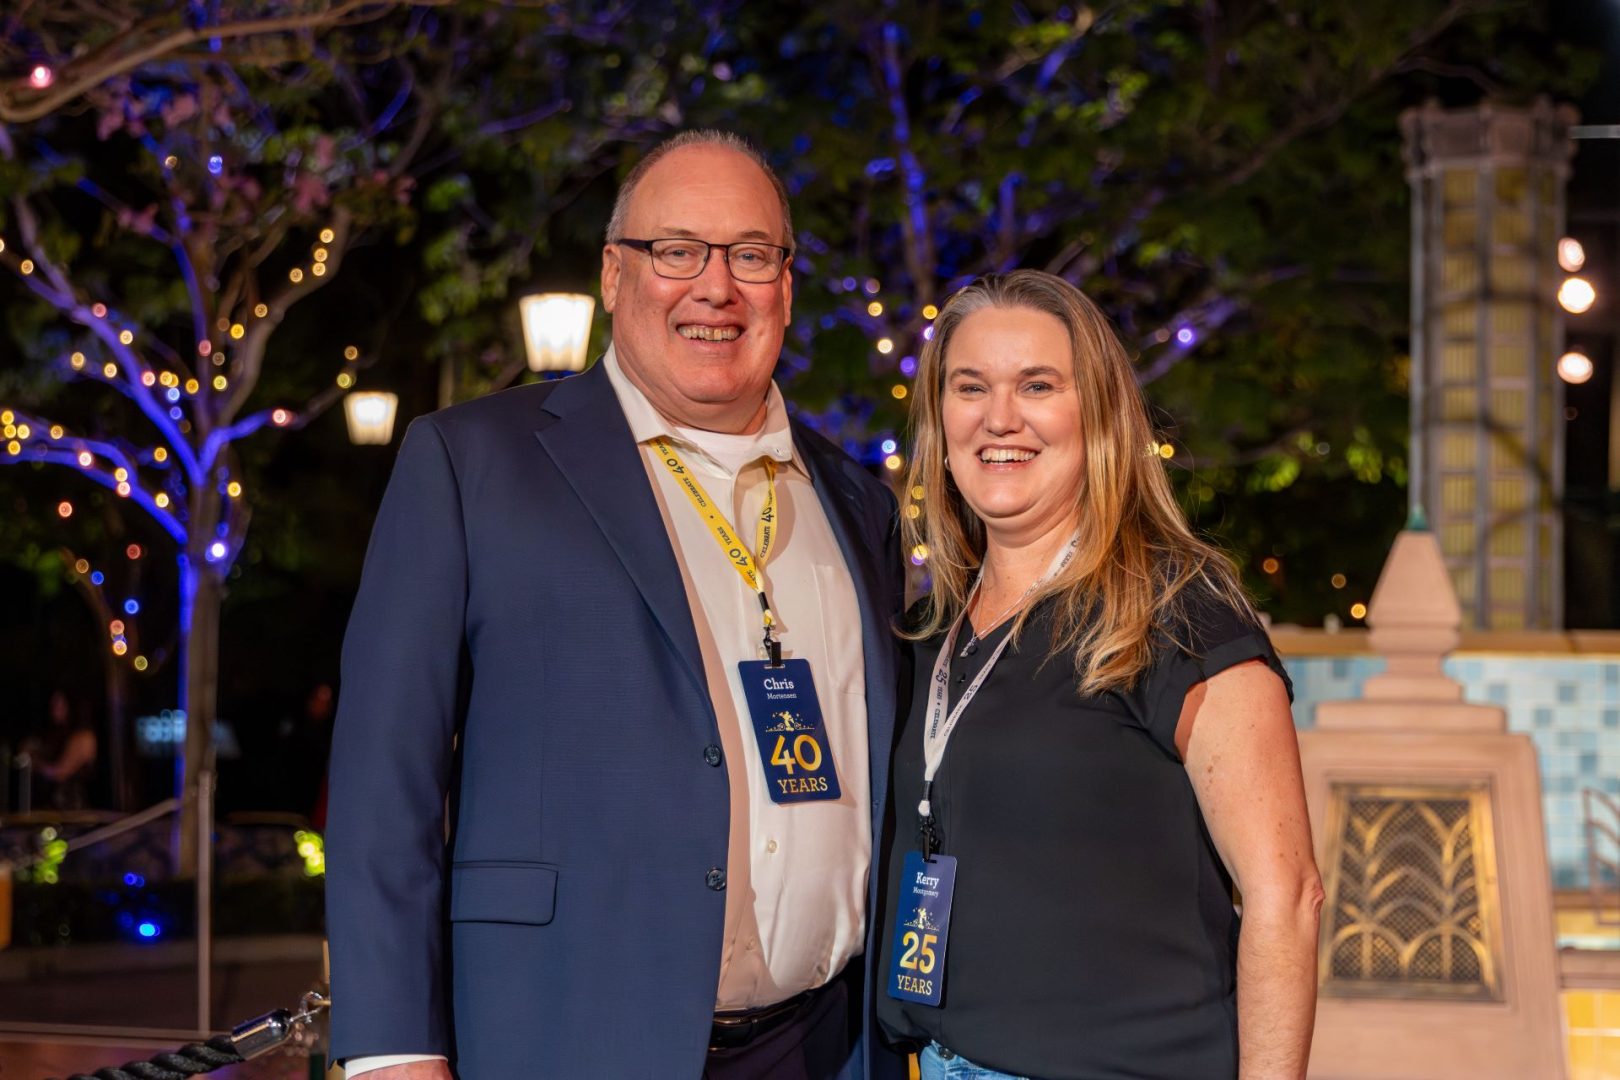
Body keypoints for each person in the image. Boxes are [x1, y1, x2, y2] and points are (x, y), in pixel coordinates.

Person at [325, 130, 907, 1080]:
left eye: (750, 255)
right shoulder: (473, 464)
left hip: (823, 1048)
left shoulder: (857, 502)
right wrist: (392, 1050)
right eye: (676, 251)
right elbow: (383, 783)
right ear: (612, 272)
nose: (715, 287)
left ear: (787, 284)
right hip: (564, 1039)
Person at [876, 271, 1322, 1080]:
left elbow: (1285, 897)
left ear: (1100, 415)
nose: (999, 417)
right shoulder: (934, 628)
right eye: (970, 387)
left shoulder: (1174, 611)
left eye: (1037, 386)